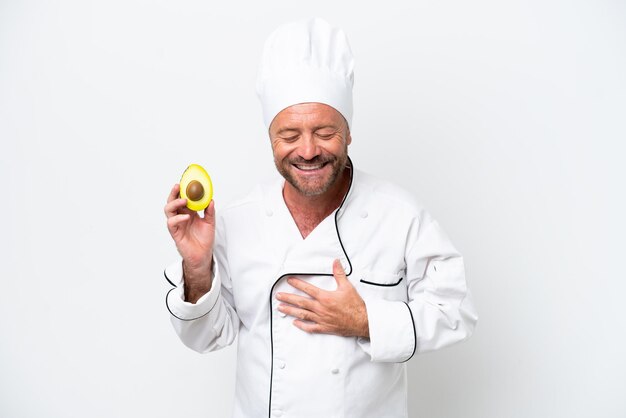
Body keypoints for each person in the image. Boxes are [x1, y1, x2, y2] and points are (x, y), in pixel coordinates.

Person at [163, 18, 477, 418]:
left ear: (348, 133)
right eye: (290, 136)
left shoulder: (398, 214)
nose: (308, 151)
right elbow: (206, 338)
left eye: (325, 132)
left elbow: (457, 311)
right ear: (270, 139)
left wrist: (366, 321)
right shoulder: (237, 221)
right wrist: (196, 267)